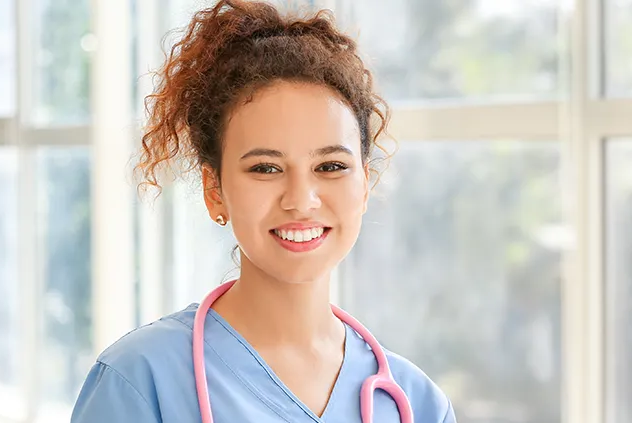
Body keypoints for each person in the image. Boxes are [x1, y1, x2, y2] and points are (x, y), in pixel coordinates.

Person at [69, 1, 456, 422]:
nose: (301, 199)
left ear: (365, 184)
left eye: (330, 167)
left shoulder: (417, 404)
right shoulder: (140, 380)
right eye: (265, 168)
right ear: (214, 190)